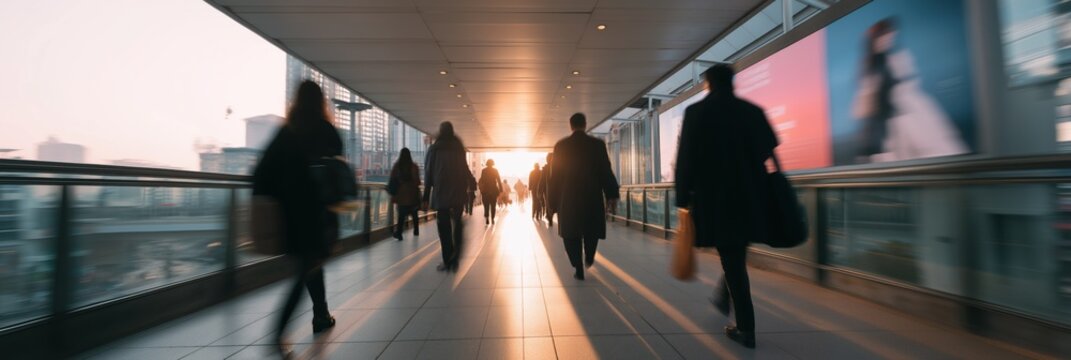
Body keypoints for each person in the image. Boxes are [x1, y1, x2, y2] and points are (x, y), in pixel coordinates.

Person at [675, 64, 778, 349]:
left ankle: (746, 329)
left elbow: (686, 159)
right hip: (751, 196)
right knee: (734, 252)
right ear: (732, 81)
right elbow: (769, 148)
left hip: (715, 198)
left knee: (731, 256)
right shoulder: (752, 111)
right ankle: (723, 296)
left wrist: (682, 197)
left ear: (708, 84)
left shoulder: (696, 113)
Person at [252, 80, 340, 355]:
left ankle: (321, 314)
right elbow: (338, 171)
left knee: (309, 264)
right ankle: (278, 335)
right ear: (320, 102)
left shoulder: (285, 132)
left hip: (290, 216)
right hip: (316, 214)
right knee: (307, 268)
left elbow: (261, 175)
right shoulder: (326, 131)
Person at [851, 17, 967, 163]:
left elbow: (908, 84)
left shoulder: (898, 58)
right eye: (884, 36)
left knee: (930, 150)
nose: (888, 39)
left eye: (889, 35)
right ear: (875, 40)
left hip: (908, 114)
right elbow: (865, 103)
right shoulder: (869, 68)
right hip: (887, 122)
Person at [547, 113, 620, 281]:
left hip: (568, 198)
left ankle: (577, 265)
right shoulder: (597, 145)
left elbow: (555, 177)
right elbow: (605, 171)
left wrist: (552, 202)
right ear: (585, 124)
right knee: (591, 230)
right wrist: (611, 194)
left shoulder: (561, 146)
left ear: (570, 125)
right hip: (592, 197)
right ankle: (589, 257)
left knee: (570, 234)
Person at [423, 121, 476, 272]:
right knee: (457, 224)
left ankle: (447, 259)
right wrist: (471, 184)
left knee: (444, 228)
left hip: (441, 194)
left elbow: (428, 174)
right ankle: (456, 256)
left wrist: (426, 197)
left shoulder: (434, 149)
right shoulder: (458, 149)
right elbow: (465, 169)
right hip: (458, 192)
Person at [389, 148, 421, 240]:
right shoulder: (414, 166)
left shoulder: (397, 166)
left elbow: (392, 179)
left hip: (401, 195)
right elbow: (418, 182)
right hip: (412, 195)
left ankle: (399, 233)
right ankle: (416, 230)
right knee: (414, 213)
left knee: (401, 215)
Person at [478, 159, 502, 224]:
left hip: (486, 191)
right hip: (493, 190)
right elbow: (499, 180)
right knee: (493, 206)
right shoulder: (495, 171)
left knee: (486, 206)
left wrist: (482, 190)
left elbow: (482, 180)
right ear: (492, 164)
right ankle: (492, 219)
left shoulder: (484, 171)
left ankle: (487, 218)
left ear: (487, 164)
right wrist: (501, 190)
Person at [541, 153, 555, 226]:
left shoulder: (545, 168)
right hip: (548, 190)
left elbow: (542, 180)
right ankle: (549, 217)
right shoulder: (557, 168)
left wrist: (540, 190)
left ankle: (549, 217)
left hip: (548, 190)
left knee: (549, 204)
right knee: (549, 204)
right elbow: (542, 180)